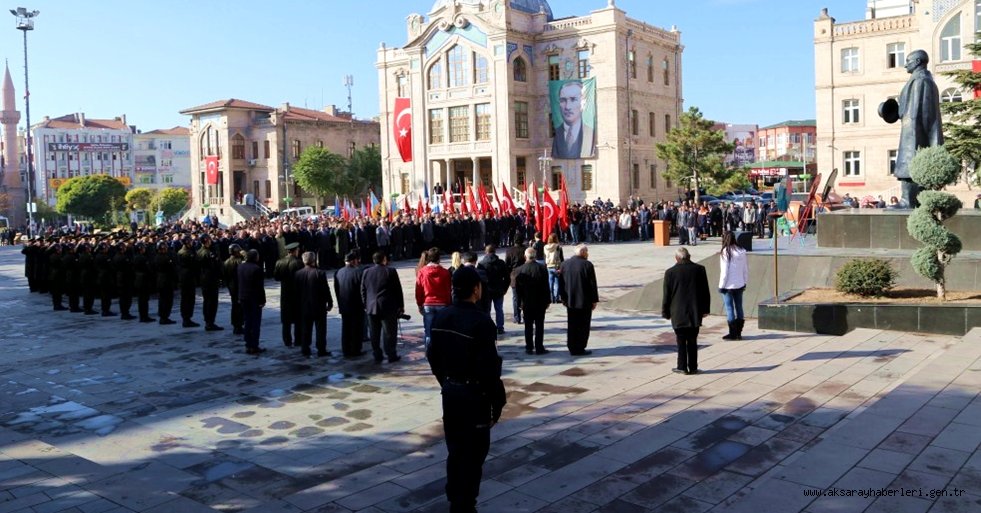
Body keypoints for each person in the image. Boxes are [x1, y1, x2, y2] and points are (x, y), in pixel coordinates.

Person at [426, 266, 506, 513]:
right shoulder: (481, 321)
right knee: (474, 455)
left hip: (451, 392)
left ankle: (455, 498)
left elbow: (433, 356)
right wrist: (497, 402)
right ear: (476, 289)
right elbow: (489, 368)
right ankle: (465, 503)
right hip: (475, 396)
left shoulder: (442, 317)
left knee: (456, 449)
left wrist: (446, 381)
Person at [879, 49, 943, 208]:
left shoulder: (921, 81)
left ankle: (908, 201)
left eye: (908, 60)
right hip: (912, 130)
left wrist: (913, 137)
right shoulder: (920, 80)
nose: (904, 64)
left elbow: (917, 112)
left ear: (918, 62)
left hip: (914, 132)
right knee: (909, 166)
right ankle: (911, 201)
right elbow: (908, 109)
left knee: (909, 165)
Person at [662, 247, 711, 375]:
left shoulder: (670, 273)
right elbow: (705, 292)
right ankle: (693, 367)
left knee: (681, 340)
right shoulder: (699, 269)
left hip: (678, 312)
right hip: (695, 311)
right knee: (693, 340)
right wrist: (706, 309)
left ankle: (682, 366)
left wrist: (665, 312)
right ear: (689, 256)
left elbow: (666, 295)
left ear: (677, 258)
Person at [361, 251, 404, 363]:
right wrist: (400, 305)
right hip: (387, 306)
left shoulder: (366, 272)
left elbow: (363, 290)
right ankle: (391, 354)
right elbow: (397, 290)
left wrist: (365, 304)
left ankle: (377, 354)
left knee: (374, 333)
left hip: (371, 306)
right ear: (384, 259)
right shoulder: (390, 271)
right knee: (389, 332)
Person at [558, 244, 599, 355]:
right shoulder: (587, 265)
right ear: (582, 253)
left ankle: (572, 346)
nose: (587, 254)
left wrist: (562, 298)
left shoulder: (564, 264)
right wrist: (594, 300)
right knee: (584, 325)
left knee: (572, 324)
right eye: (586, 252)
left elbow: (561, 283)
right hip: (584, 301)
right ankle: (580, 347)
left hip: (570, 300)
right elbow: (592, 284)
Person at [295, 251, 334, 358]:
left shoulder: (298, 274)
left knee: (306, 329)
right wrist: (330, 302)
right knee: (321, 329)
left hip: (304, 306)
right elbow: (326, 289)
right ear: (313, 260)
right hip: (318, 306)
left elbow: (296, 292)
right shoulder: (319, 273)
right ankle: (321, 349)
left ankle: (305, 348)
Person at [514, 247, 551, 355]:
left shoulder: (519, 270)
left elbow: (517, 290)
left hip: (526, 302)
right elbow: (546, 286)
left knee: (528, 326)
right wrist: (547, 300)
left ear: (525, 256)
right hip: (540, 302)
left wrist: (519, 303)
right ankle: (539, 347)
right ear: (535, 256)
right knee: (539, 325)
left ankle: (529, 347)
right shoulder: (542, 268)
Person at [415, 248, 452, 348]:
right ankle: (443, 352)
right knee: (443, 330)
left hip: (428, 303)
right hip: (442, 303)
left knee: (428, 331)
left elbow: (419, 289)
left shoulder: (422, 271)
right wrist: (449, 303)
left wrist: (419, 304)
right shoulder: (445, 272)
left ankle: (429, 352)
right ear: (439, 259)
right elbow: (448, 290)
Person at [551, 80, 595, 159]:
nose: (567, 107)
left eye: (573, 99)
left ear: (583, 104)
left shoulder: (590, 133)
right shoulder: (556, 134)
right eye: (563, 100)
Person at [334, 250, 366, 358]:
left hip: (344, 305)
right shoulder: (359, 272)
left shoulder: (338, 272)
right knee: (357, 328)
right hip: (356, 305)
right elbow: (362, 290)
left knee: (346, 328)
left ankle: (346, 349)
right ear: (353, 261)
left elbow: (336, 290)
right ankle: (356, 349)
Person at [718, 232, 748, 341]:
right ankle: (739, 333)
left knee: (729, 308)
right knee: (739, 307)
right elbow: (745, 269)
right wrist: (745, 281)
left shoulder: (725, 252)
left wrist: (721, 285)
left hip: (728, 285)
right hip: (739, 283)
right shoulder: (741, 251)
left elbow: (724, 272)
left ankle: (732, 333)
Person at [274, 242, 304, 347]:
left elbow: (276, 277)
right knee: (298, 319)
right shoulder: (299, 263)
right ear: (295, 251)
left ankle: (287, 340)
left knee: (286, 320)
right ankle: (298, 340)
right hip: (297, 293)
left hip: (285, 293)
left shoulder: (279, 262)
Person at [238, 249, 267, 355]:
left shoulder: (240, 266)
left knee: (247, 321)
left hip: (243, 297)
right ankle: (254, 345)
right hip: (254, 299)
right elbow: (260, 287)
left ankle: (248, 344)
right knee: (255, 323)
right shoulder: (257, 269)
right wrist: (262, 300)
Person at [478, 244, 510, 334]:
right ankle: (500, 327)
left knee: (487, 309)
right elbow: (507, 278)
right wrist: (505, 289)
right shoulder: (501, 263)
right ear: (495, 252)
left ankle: (488, 326)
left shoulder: (481, 264)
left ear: (486, 252)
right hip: (499, 289)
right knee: (499, 309)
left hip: (486, 290)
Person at [197, 234, 224, 331]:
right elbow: (214, 265)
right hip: (209, 279)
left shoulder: (202, 251)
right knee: (211, 302)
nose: (211, 240)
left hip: (207, 279)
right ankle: (210, 322)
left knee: (208, 301)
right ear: (206, 241)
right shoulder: (206, 252)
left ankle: (209, 321)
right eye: (209, 239)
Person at [177, 237, 200, 328]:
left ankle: (187, 318)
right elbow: (194, 262)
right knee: (187, 299)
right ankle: (186, 319)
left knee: (188, 299)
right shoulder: (186, 253)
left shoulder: (183, 251)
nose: (192, 243)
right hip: (187, 278)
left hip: (187, 277)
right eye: (190, 242)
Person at [504, 235, 527, 324]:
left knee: (516, 298)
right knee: (525, 297)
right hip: (525, 274)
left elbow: (507, 265)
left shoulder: (509, 251)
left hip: (514, 276)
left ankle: (517, 317)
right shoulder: (525, 249)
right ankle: (526, 316)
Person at [223, 244, 245, 334]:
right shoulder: (238, 261)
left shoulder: (226, 262)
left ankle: (236, 325)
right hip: (239, 286)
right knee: (239, 307)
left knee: (235, 305)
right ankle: (238, 325)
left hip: (231, 286)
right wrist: (245, 254)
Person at [154, 241, 177, 325]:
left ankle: (163, 317)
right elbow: (171, 267)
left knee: (163, 300)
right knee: (166, 300)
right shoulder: (164, 258)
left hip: (161, 280)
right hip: (165, 280)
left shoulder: (157, 257)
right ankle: (164, 317)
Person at [133, 242, 155, 323]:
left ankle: (143, 316)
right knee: (143, 300)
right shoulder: (142, 258)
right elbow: (148, 269)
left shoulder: (135, 257)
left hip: (138, 279)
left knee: (141, 300)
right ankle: (144, 316)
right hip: (143, 280)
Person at [543, 234, 564, 304]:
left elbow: (544, 256)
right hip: (556, 265)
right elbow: (561, 257)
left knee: (550, 282)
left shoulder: (545, 247)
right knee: (557, 282)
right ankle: (556, 298)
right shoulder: (558, 246)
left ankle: (551, 298)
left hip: (549, 265)